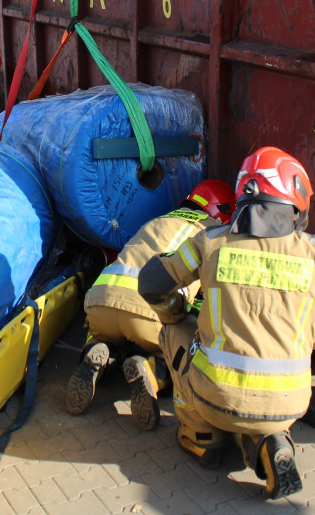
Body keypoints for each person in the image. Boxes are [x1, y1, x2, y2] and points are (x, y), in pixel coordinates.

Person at [131, 147, 315, 498]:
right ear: (294, 201)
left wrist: (176, 314)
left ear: (245, 191)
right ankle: (268, 441)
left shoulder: (210, 242)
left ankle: (203, 438)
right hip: (290, 403)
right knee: (260, 409)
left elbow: (151, 282)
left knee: (174, 331)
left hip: (216, 395)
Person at [66, 180, 238, 420]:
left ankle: (98, 351)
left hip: (100, 302)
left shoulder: (158, 220)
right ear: (225, 213)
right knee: (181, 349)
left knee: (103, 329)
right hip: (147, 317)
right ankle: (152, 369)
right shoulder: (210, 236)